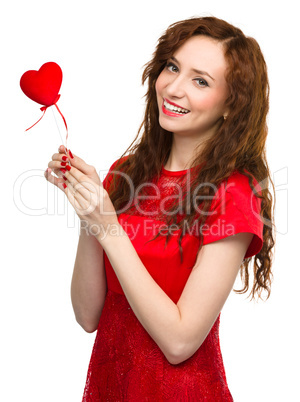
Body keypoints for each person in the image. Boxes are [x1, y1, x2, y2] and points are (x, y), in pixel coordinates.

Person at [44, 15, 275, 401]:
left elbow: (180, 342)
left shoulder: (233, 193)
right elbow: (88, 316)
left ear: (231, 106)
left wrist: (109, 226)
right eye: (172, 67)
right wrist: (91, 214)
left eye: (200, 80)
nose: (173, 88)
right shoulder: (125, 174)